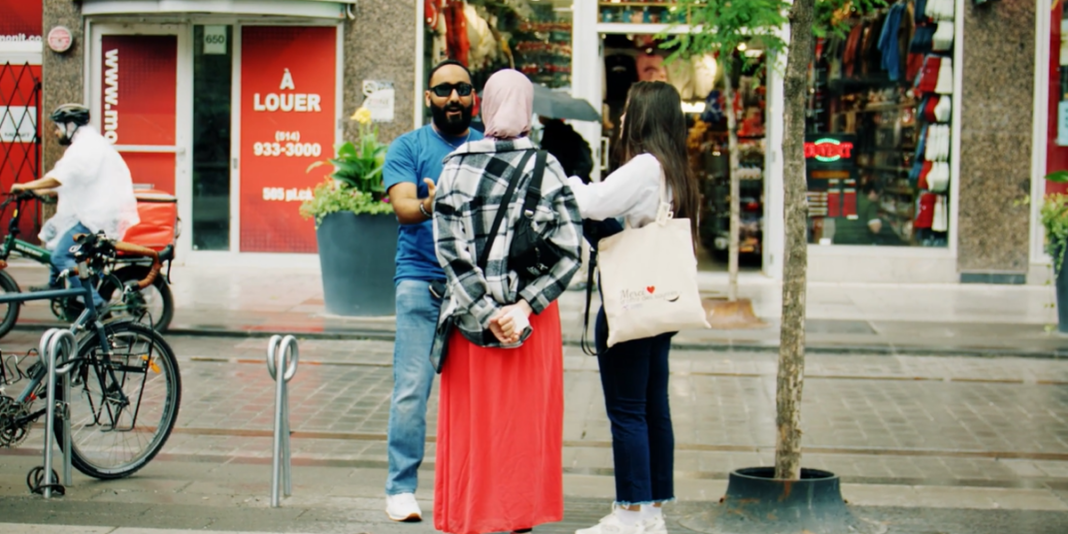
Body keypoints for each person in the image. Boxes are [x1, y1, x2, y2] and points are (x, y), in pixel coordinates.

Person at [432, 69, 582, 534]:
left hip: (471, 327)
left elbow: (449, 252)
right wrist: (522, 308)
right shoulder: (548, 166)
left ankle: (473, 515)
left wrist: (484, 309)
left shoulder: (455, 166)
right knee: (521, 427)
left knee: (476, 427)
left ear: (482, 105)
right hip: (529, 325)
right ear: (529, 109)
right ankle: (518, 519)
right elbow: (572, 249)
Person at [565, 82, 702, 534]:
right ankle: (652, 511)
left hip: (631, 302)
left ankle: (629, 513)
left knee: (626, 410)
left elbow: (591, 202)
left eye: (626, 111)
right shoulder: (678, 169)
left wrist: (568, 179)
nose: (621, 120)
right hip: (662, 302)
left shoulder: (645, 166)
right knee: (652, 406)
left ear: (641, 115)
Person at [380, 59, 483, 522]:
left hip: (477, 287)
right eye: (443, 91)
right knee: (411, 391)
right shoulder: (409, 146)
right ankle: (400, 489)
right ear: (429, 98)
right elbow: (403, 208)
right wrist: (432, 201)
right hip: (421, 283)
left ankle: (480, 487)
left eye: (462, 89)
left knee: (480, 396)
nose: (454, 98)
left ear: (474, 95)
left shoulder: (487, 146)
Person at [10, 103, 139, 310]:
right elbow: (70, 182)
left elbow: (59, 178)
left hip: (97, 217)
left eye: (58, 126)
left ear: (70, 125)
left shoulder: (85, 147)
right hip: (94, 212)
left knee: (62, 255)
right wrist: (37, 192)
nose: (55, 131)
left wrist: (25, 186)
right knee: (59, 239)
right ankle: (55, 286)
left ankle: (97, 305)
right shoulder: (86, 143)